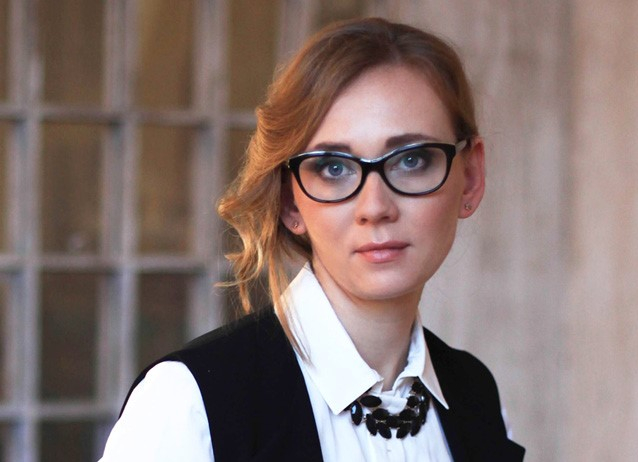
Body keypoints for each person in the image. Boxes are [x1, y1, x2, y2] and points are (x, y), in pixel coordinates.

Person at [100, 17, 525, 461]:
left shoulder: (477, 399)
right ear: (290, 201)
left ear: (470, 177)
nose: (375, 207)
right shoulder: (188, 405)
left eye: (411, 160)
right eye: (334, 167)